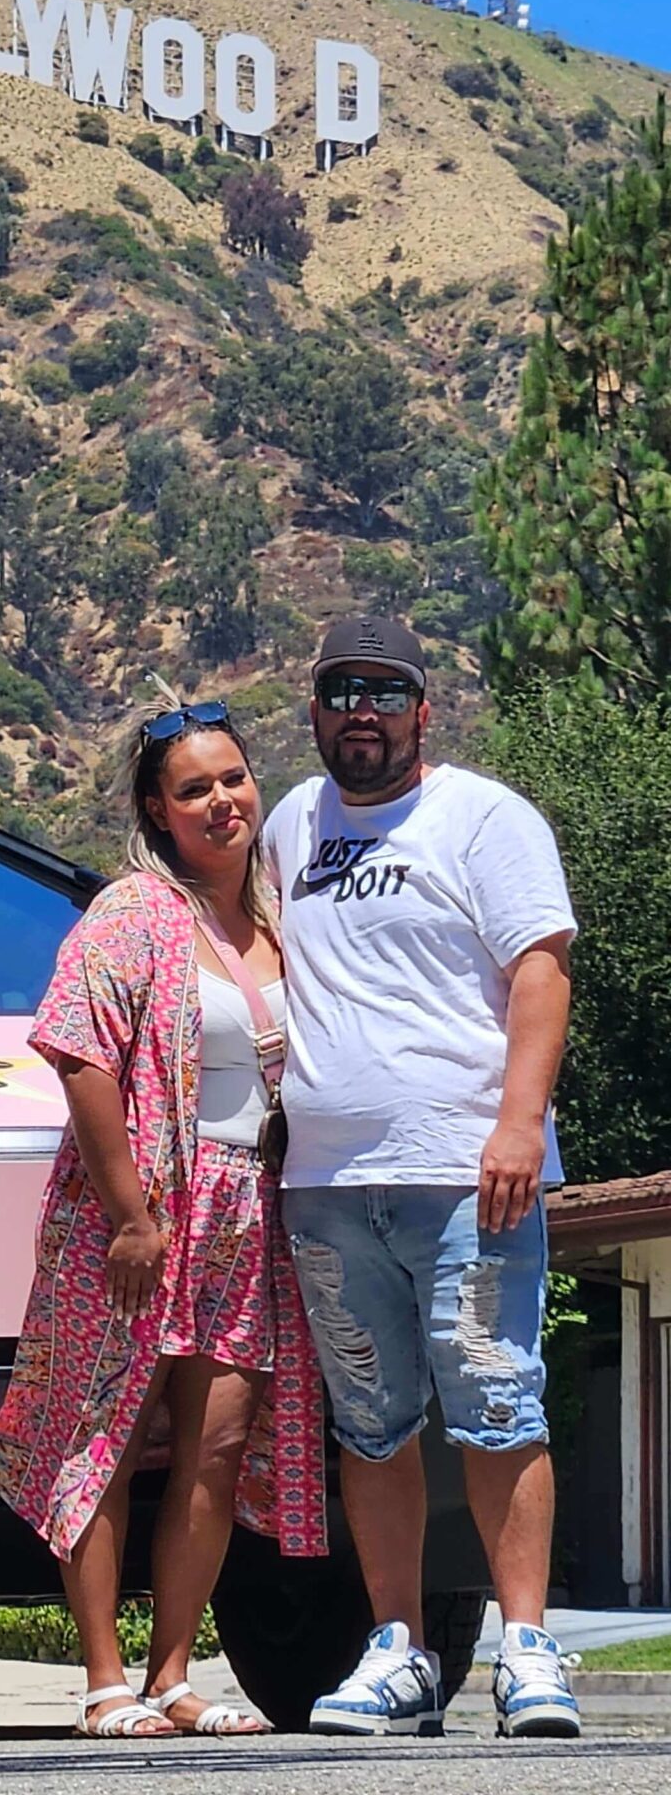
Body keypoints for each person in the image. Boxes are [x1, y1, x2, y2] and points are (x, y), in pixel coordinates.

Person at [264, 615, 579, 1739]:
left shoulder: (484, 816)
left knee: (496, 1405)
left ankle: (530, 1651)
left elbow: (540, 973)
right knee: (370, 1422)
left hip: (466, 1173)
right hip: (327, 1186)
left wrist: (518, 1125)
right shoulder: (292, 823)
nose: (363, 710)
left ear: (421, 710)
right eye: (342, 690)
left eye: (385, 692)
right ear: (314, 711)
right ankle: (398, 1647)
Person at [0, 698, 325, 1738]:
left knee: (217, 1444)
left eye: (233, 779)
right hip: (139, 1217)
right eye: (195, 789)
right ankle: (103, 1680)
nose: (222, 801)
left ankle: (175, 1671)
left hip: (246, 1212)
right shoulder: (136, 912)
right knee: (104, 1429)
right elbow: (80, 1052)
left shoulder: (275, 917)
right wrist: (130, 1212)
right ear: (157, 809)